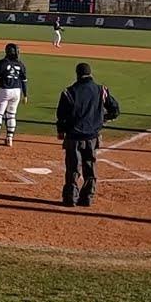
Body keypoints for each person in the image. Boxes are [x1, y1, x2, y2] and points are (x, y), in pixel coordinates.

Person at [56, 62, 120, 207]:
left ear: (77, 74)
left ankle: (71, 198)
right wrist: (102, 119)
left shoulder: (69, 92)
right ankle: (87, 198)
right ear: (90, 74)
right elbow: (115, 110)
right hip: (92, 136)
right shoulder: (101, 90)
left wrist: (61, 131)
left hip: (73, 138)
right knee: (90, 167)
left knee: (73, 168)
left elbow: (61, 116)